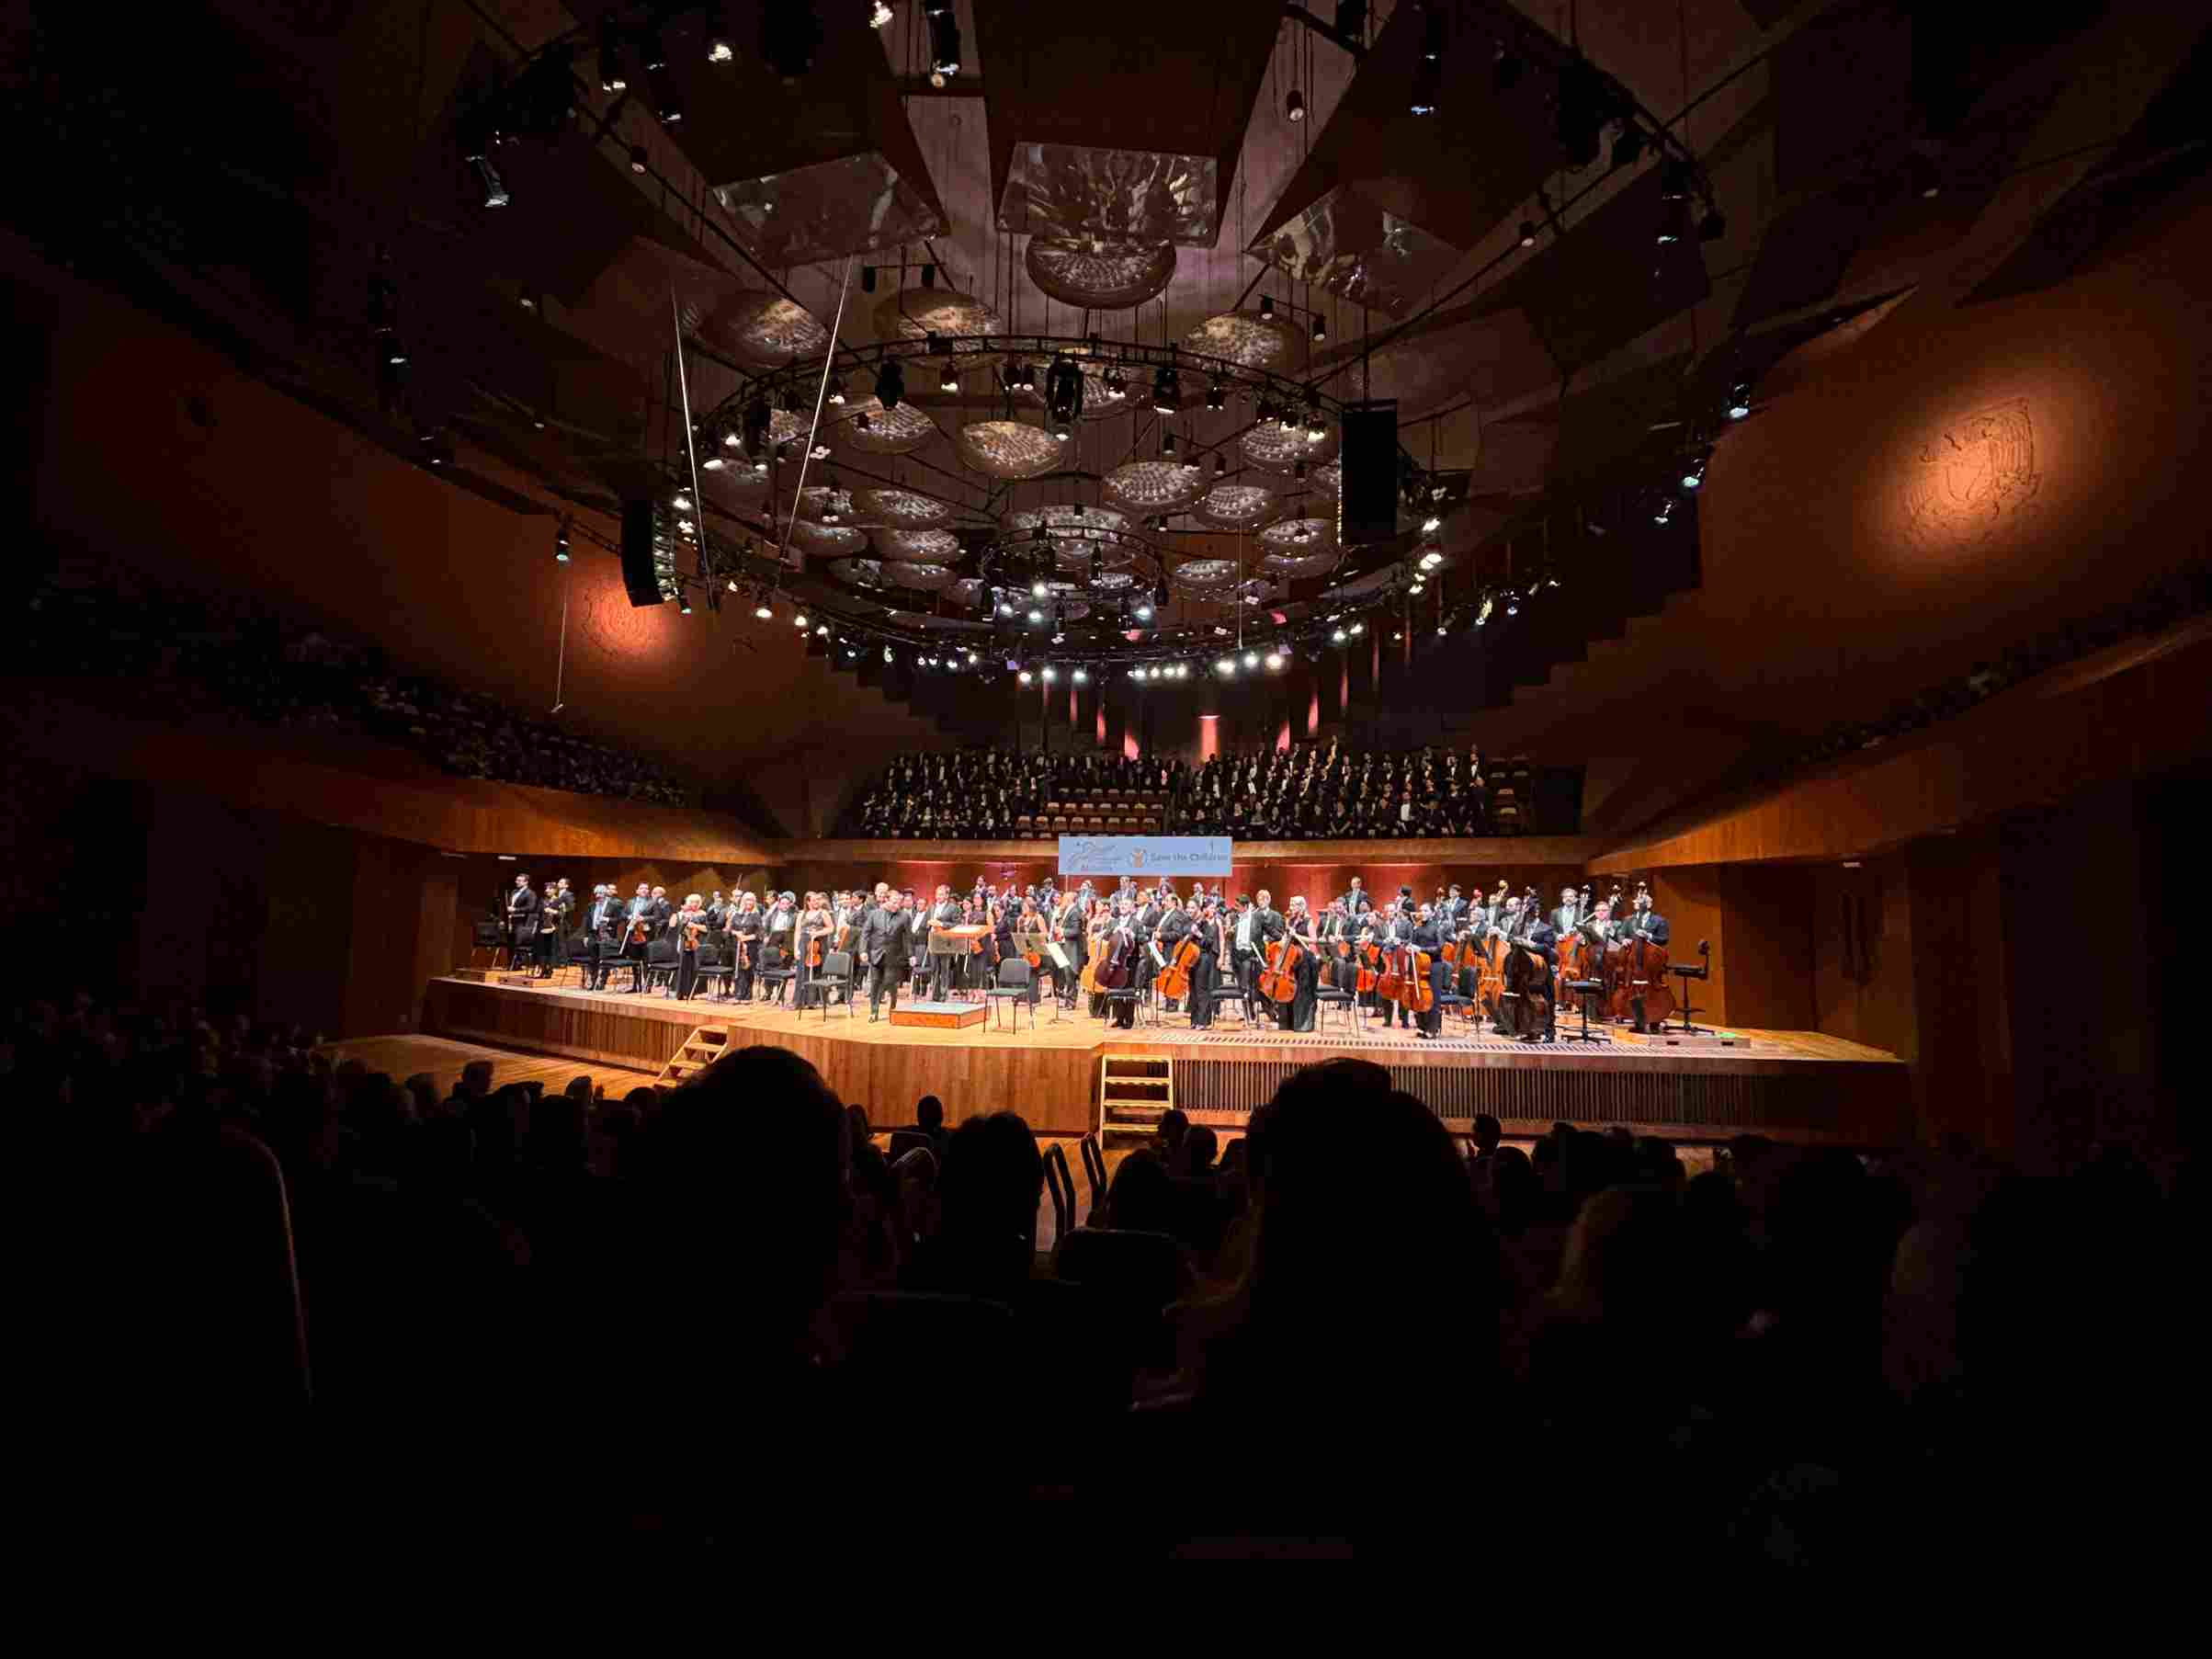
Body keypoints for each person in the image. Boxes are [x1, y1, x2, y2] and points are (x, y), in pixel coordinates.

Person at [864, 892, 914, 1020]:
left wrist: (911, 955)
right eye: (894, 902)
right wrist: (863, 951)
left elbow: (909, 937)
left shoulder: (905, 916)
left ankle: (893, 1006)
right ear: (886, 900)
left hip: (894, 956)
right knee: (875, 983)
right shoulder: (874, 914)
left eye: (898, 903)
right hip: (876, 954)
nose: (896, 905)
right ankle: (873, 1012)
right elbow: (866, 933)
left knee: (889, 982)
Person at [925, 885, 966, 1001]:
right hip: (933, 940)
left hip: (945, 941)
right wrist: (929, 923)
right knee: (934, 968)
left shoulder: (953, 908)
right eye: (937, 894)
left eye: (941, 894)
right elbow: (927, 924)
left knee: (944, 968)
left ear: (947, 896)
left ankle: (943, 994)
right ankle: (935, 994)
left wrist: (941, 924)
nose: (938, 897)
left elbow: (957, 924)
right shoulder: (932, 907)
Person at [670, 894, 708, 1000]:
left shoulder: (703, 914)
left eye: (696, 902)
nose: (694, 904)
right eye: (692, 902)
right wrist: (685, 923)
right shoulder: (684, 914)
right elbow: (679, 930)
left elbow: (706, 929)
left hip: (698, 943)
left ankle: (693, 993)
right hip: (685, 943)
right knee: (684, 967)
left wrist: (695, 926)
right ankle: (681, 992)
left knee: (695, 967)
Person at [505, 871, 539, 960]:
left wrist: (516, 910)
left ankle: (519, 963)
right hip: (512, 920)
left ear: (526, 882)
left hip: (523, 921)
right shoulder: (514, 892)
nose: (517, 882)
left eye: (519, 881)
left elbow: (531, 907)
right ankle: (511, 963)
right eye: (517, 880)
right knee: (511, 942)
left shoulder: (530, 893)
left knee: (519, 942)